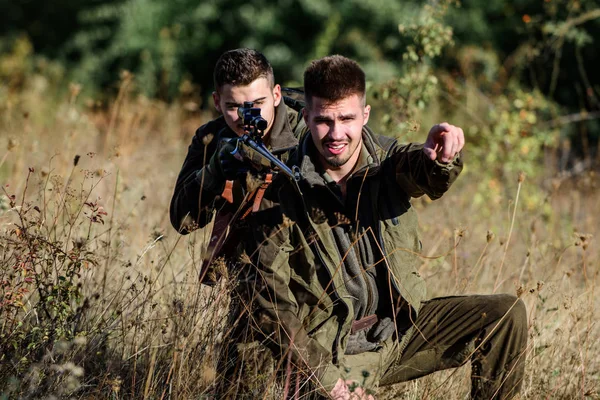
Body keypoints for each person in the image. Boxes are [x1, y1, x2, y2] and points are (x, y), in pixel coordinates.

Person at [240, 55, 528, 399]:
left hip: (399, 331)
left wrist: (441, 158)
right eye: (324, 121)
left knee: (505, 313)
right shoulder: (281, 190)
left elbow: (421, 171)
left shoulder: (386, 161)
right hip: (337, 351)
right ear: (306, 116)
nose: (336, 134)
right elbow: (272, 304)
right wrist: (328, 380)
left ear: (365, 115)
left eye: (347, 118)